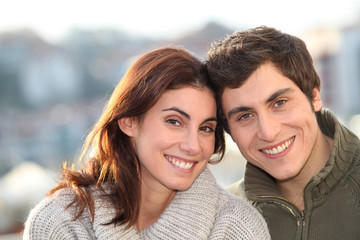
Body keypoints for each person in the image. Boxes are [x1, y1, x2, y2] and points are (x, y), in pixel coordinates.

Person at [23, 47, 270, 240]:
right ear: (129, 121)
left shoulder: (239, 227)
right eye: (174, 121)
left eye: (206, 128)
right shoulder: (60, 222)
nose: (193, 146)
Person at [206, 26, 360, 240]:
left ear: (314, 96)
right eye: (245, 116)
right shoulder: (219, 222)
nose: (268, 132)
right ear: (229, 130)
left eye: (279, 103)